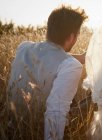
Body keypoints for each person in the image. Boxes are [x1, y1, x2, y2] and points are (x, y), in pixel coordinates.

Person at [7, 5, 87, 140]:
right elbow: (56, 112)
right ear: (72, 37)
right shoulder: (71, 66)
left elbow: (47, 57)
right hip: (41, 129)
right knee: (93, 101)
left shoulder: (23, 47)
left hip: (12, 127)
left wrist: (81, 57)